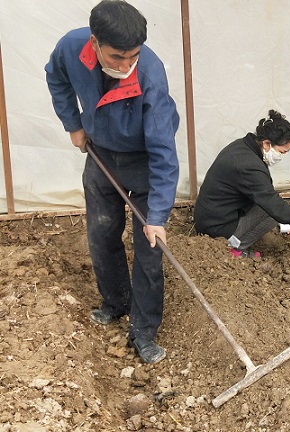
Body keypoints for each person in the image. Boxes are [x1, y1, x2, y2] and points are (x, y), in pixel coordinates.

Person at [45, 0, 180, 364]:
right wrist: (73, 124)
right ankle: (116, 301)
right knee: (102, 234)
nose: (125, 65)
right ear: (94, 42)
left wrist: (158, 216)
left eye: (133, 56)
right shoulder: (71, 47)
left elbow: (163, 151)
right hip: (101, 154)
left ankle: (143, 331)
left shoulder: (149, 75)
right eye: (117, 56)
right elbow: (55, 76)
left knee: (149, 247)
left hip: (144, 160)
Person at [194, 110, 290, 256]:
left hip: (212, 216)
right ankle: (233, 248)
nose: (282, 156)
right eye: (282, 152)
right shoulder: (248, 165)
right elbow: (271, 201)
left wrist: (289, 220)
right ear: (266, 143)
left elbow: (262, 193)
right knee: (271, 212)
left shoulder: (243, 147)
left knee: (274, 209)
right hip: (217, 228)